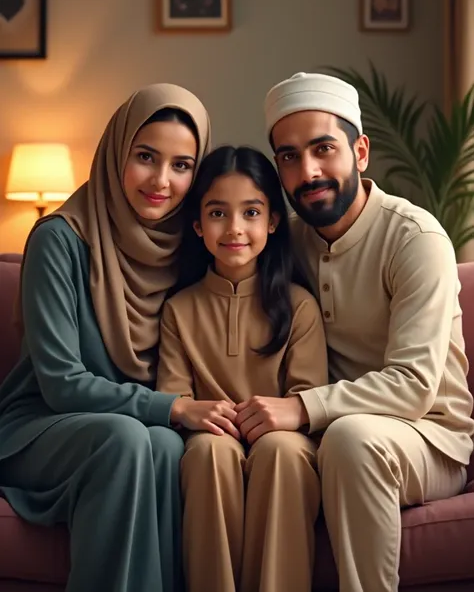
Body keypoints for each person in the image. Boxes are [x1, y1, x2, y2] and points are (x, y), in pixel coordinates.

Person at [242, 71, 474, 592]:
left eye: (324, 148)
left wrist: (301, 407)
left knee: (352, 439)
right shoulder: (287, 242)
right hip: (329, 436)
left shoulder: (415, 238)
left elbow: (415, 386)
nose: (309, 171)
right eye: (289, 156)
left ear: (361, 151)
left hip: (429, 437)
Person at [0, 83, 212, 592]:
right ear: (117, 150)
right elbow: (61, 383)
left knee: (163, 447)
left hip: (133, 434)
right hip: (40, 429)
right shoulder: (58, 240)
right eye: (145, 157)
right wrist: (175, 407)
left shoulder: (191, 245)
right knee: (131, 439)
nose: (162, 180)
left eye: (182, 165)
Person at [156, 145, 328, 592]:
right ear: (197, 224)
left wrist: (275, 420)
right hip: (210, 442)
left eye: (251, 212)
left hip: (285, 443)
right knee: (208, 453)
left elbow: (308, 399)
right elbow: (175, 398)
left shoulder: (299, 306)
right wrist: (200, 415)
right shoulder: (178, 310)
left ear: (272, 221)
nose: (234, 228)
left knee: (282, 452)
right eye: (217, 213)